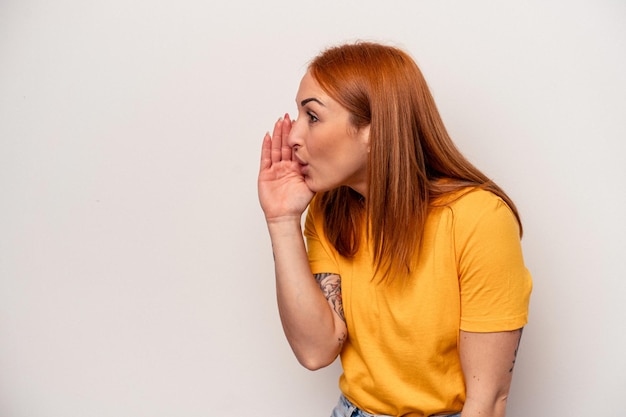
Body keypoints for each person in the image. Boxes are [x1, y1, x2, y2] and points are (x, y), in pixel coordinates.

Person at [257, 41, 532, 417]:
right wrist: (282, 220)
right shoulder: (328, 208)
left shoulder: (479, 218)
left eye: (313, 117)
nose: (293, 137)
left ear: (373, 129)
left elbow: (487, 400)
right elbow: (316, 350)